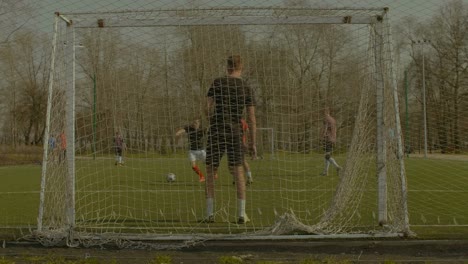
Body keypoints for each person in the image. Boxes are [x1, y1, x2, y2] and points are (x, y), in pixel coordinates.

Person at [203, 55, 257, 224]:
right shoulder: (246, 87)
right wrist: (253, 143)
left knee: (211, 171)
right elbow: (251, 118)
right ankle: (241, 214)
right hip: (235, 132)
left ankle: (209, 214)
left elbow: (205, 107)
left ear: (227, 67)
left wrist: (211, 119)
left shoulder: (218, 82)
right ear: (241, 67)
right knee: (238, 171)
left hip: (217, 130)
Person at [320, 107, 342, 176]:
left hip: (327, 138)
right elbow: (335, 130)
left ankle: (337, 166)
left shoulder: (326, 119)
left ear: (325, 112)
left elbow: (325, 129)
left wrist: (322, 136)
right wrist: (335, 138)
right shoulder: (333, 120)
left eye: (323, 112)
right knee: (327, 155)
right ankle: (325, 172)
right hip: (333, 139)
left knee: (327, 156)